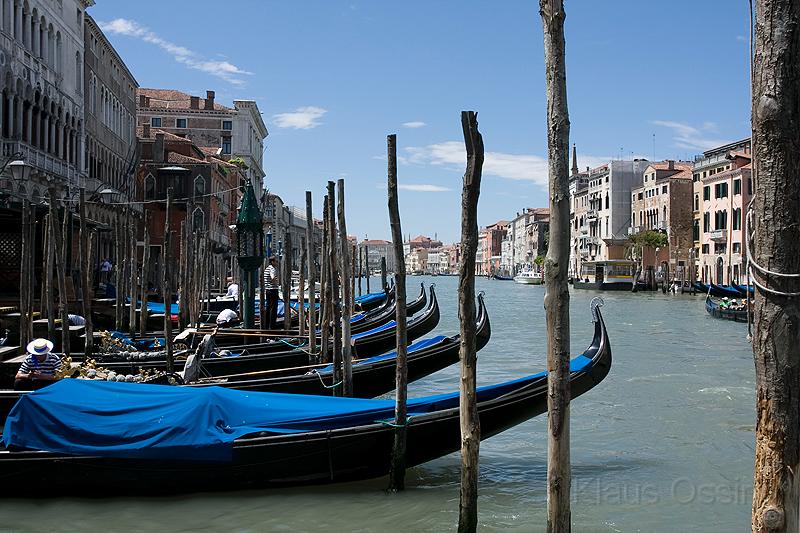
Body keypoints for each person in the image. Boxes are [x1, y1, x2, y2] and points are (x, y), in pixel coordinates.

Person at [264, 256, 281, 330]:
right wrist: (276, 282)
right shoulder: (272, 269)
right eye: (276, 261)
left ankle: (267, 325)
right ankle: (272, 327)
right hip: (273, 290)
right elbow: (273, 277)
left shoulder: (266, 269)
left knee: (268, 308)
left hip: (268, 290)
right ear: (272, 262)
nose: (277, 263)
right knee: (273, 309)